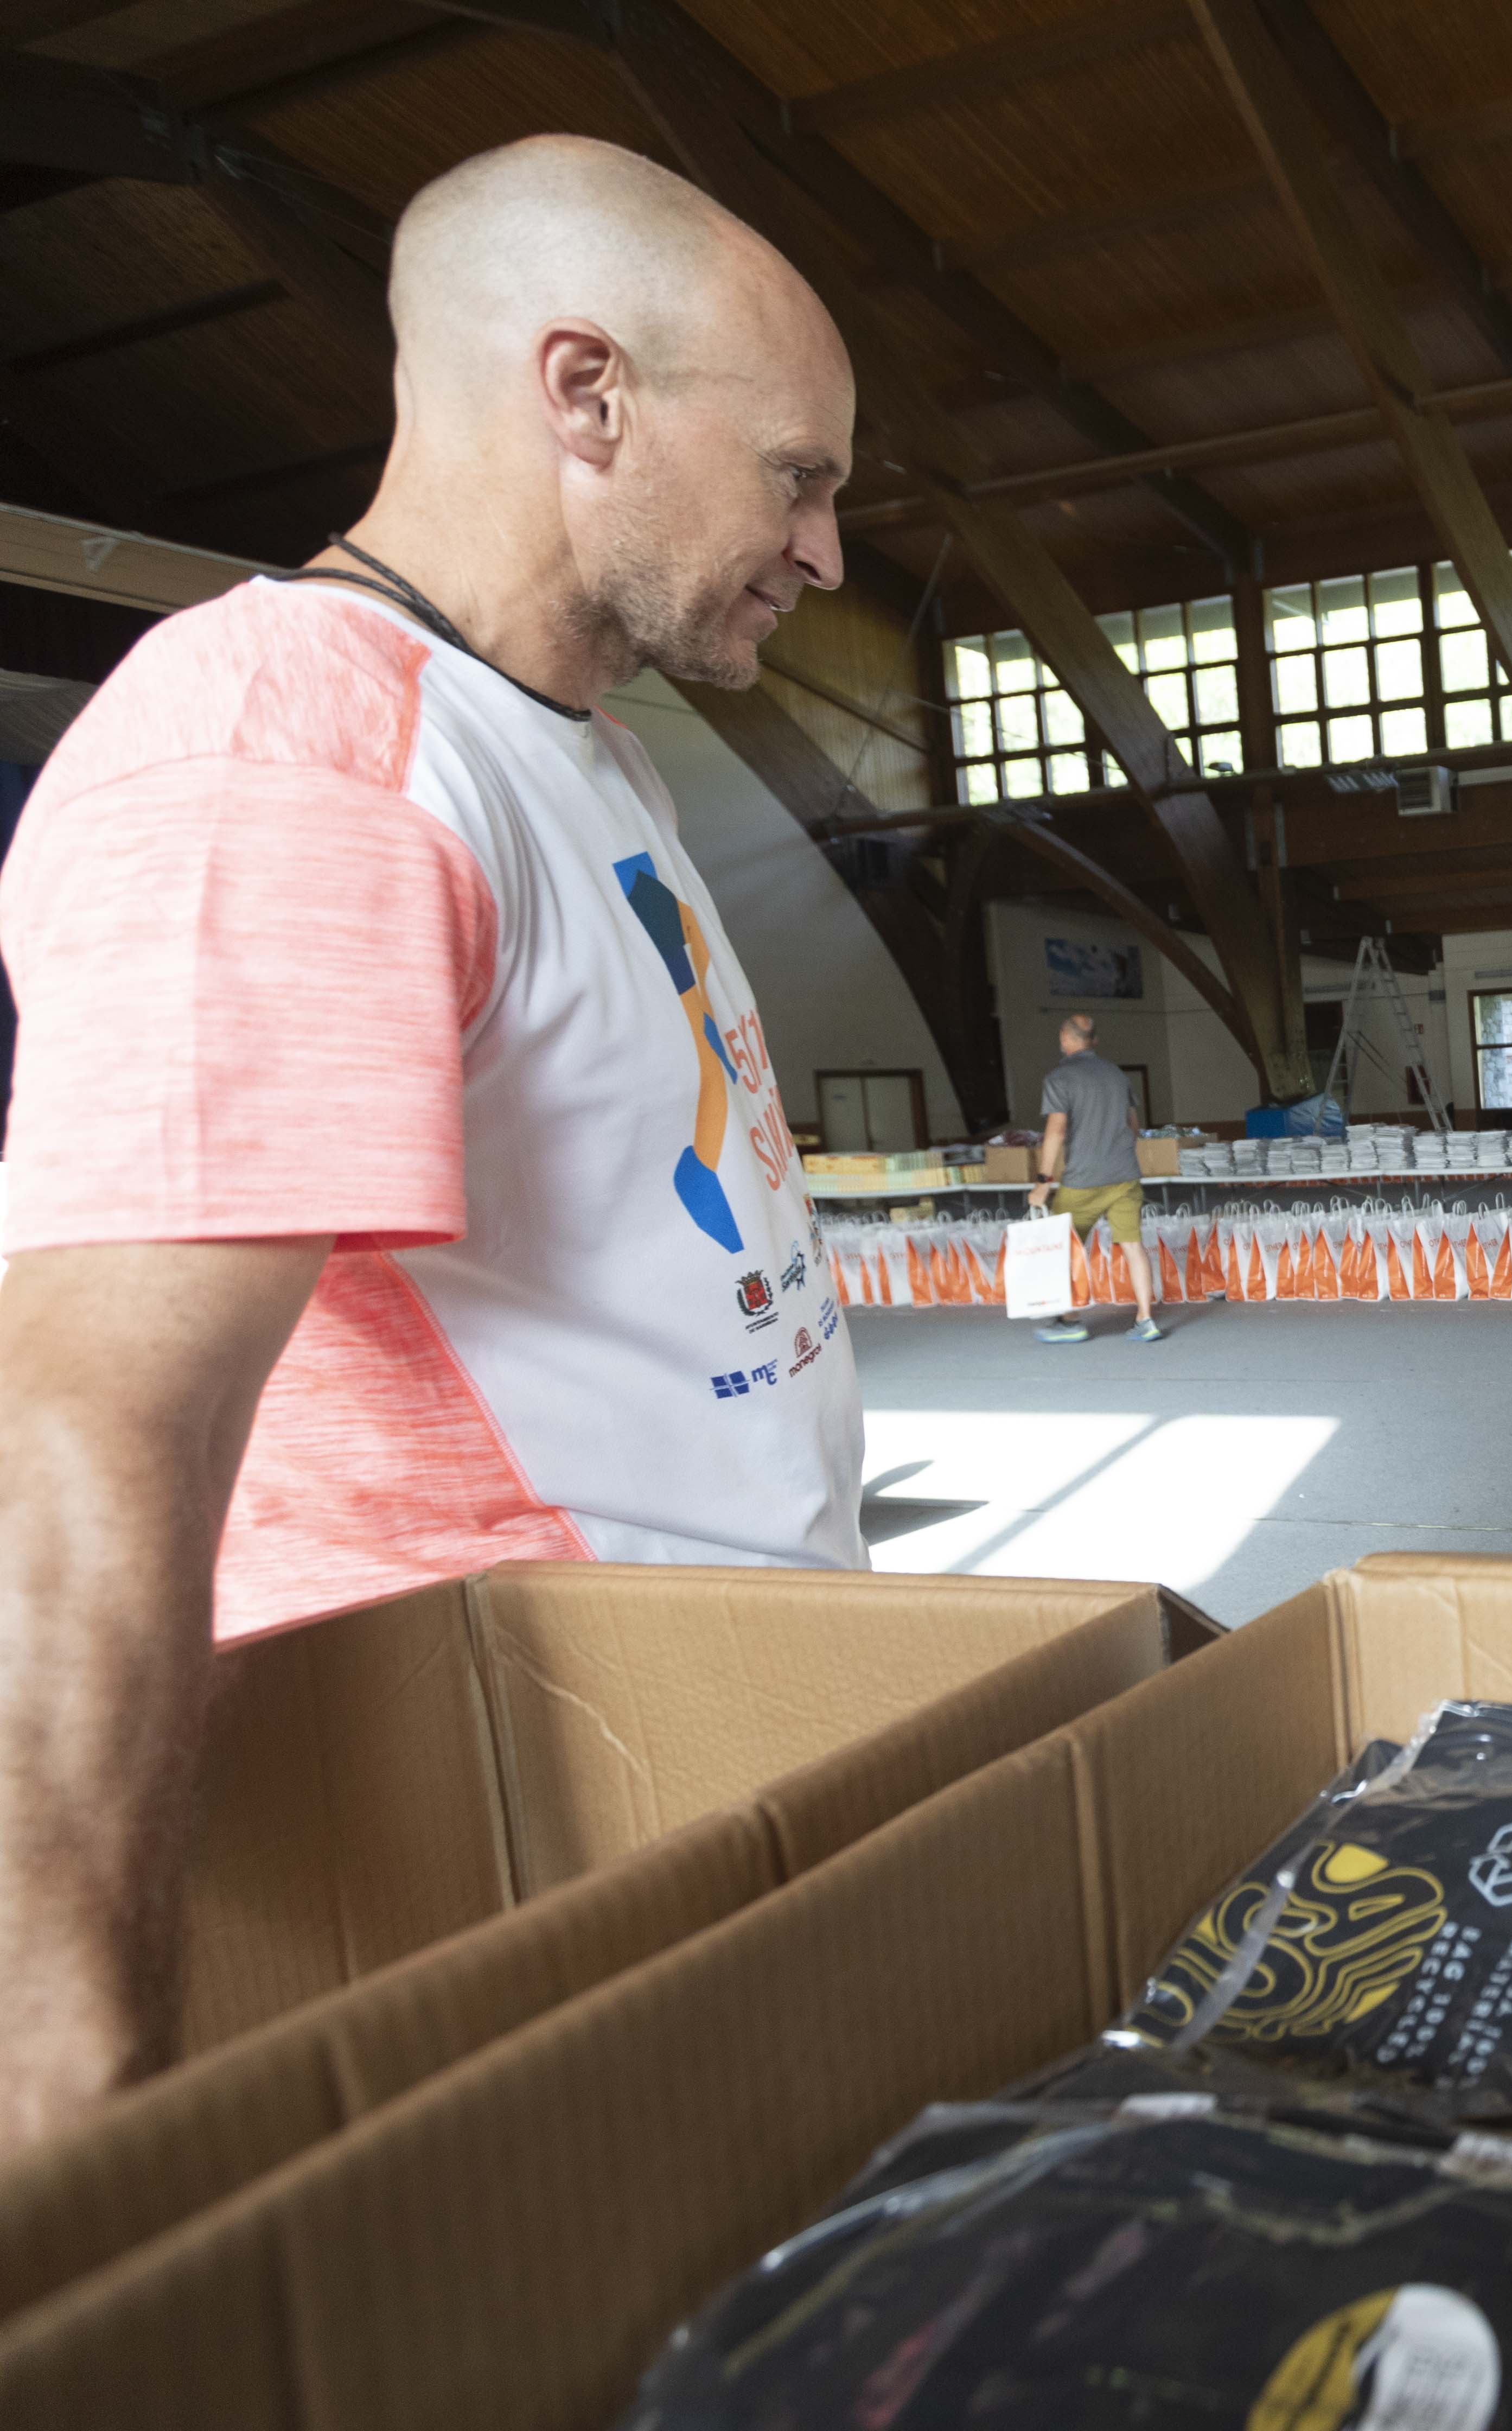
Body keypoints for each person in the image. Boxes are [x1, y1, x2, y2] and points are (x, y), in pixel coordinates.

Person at [0, 135, 863, 2144]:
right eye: (798, 475)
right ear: (584, 393)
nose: (825, 551)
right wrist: (73, 2127)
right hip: (516, 1819)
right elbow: (86, 1433)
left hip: (711, 1765)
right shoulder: (284, 748)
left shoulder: (584, 751)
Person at [1026, 1014, 1163, 1344]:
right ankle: (1146, 1319)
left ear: (1064, 1039)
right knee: (1133, 1246)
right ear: (1095, 1041)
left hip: (1082, 1180)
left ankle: (1071, 1320)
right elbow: (1133, 1126)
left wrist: (1044, 1180)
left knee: (1066, 1248)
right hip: (1125, 1176)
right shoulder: (1117, 1075)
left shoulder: (1060, 1078)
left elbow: (1056, 1130)